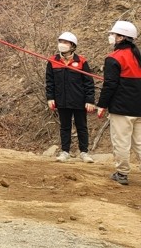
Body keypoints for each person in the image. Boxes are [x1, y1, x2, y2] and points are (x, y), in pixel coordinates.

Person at [97, 20, 141, 186]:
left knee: (121, 142)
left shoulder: (113, 58)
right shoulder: (138, 56)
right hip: (139, 107)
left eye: (113, 34)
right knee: (139, 142)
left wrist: (102, 105)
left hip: (122, 109)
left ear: (121, 37)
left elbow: (110, 85)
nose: (111, 36)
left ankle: (122, 173)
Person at [45, 31, 96, 163]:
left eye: (65, 42)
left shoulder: (81, 61)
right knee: (65, 127)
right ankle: (65, 151)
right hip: (62, 100)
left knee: (82, 126)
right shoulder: (53, 61)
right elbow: (49, 82)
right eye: (61, 42)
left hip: (79, 101)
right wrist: (50, 98)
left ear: (72, 45)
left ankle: (84, 152)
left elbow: (89, 82)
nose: (62, 45)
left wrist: (90, 100)